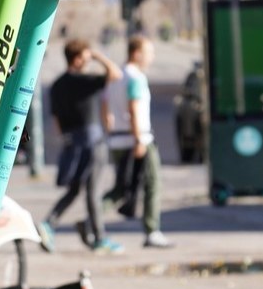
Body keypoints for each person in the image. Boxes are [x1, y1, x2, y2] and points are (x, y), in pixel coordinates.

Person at [46, 38, 121, 252]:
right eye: (86, 58)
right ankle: (99, 237)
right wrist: (97, 55)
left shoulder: (57, 85)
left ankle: (49, 223)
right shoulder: (84, 81)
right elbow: (115, 74)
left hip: (72, 142)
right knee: (93, 191)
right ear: (78, 59)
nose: (88, 62)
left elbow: (56, 120)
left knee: (76, 188)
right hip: (92, 141)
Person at [111, 37, 171, 247]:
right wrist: (139, 140)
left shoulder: (116, 75)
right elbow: (134, 109)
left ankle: (92, 221)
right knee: (153, 184)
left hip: (118, 138)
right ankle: (152, 230)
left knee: (120, 188)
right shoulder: (135, 77)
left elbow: (104, 106)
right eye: (149, 52)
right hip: (139, 137)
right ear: (136, 53)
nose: (152, 57)